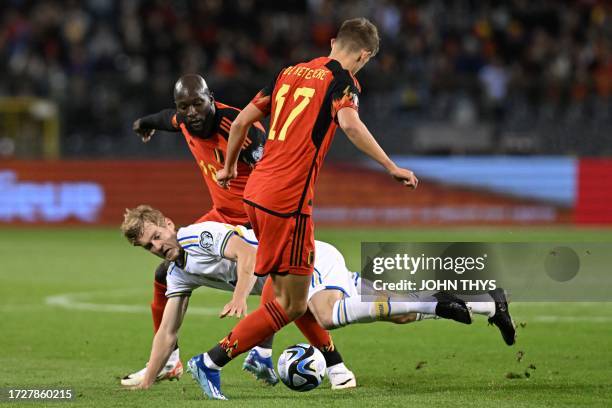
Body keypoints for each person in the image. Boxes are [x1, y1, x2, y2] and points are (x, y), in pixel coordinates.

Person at [198, 18, 423, 399]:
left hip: (255, 193)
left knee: (285, 291)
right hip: (289, 203)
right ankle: (211, 361)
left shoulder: (288, 73)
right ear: (364, 55)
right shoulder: (344, 83)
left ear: (334, 41)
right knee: (292, 304)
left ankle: (327, 365)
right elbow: (350, 126)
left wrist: (229, 167)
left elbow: (239, 123)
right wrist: (390, 166)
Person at [120, 206, 512, 392]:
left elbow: (248, 257)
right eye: (147, 247)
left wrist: (241, 296)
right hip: (298, 272)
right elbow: (168, 331)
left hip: (306, 256)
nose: (156, 246)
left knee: (324, 314)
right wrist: (148, 379)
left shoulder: (196, 235)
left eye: (156, 236)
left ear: (168, 224)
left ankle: (436, 302)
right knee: (398, 314)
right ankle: (486, 302)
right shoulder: (178, 271)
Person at [125, 74, 354, 389]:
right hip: (221, 215)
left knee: (284, 286)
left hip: (255, 216)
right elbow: (168, 119)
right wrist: (145, 122)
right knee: (165, 274)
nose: (191, 112)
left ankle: (325, 361)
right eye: (184, 106)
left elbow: (271, 173)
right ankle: (168, 361)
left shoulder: (239, 130)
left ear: (211, 99)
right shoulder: (185, 121)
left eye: (197, 104)